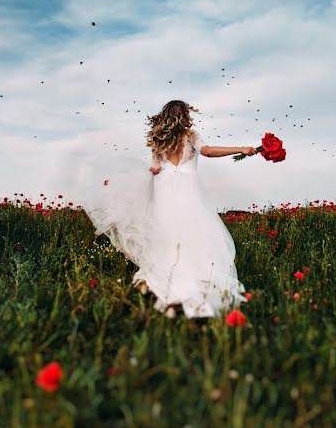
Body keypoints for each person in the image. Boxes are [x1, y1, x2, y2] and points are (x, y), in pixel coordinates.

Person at [82, 100, 255, 319]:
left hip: (164, 189)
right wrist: (241, 148)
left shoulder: (159, 140)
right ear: (184, 115)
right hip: (187, 189)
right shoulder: (190, 136)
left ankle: (162, 283)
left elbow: (154, 168)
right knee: (194, 233)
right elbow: (209, 151)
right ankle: (193, 285)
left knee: (168, 235)